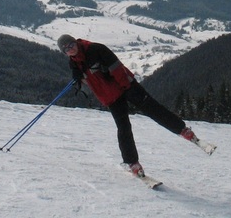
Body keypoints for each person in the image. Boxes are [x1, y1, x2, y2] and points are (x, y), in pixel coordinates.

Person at [57, 34, 202, 178]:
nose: (70, 49)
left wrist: (126, 86)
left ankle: (182, 130)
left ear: (76, 42)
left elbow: (116, 67)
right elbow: (88, 79)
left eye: (71, 45)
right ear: (64, 53)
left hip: (126, 86)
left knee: (152, 108)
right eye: (66, 49)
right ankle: (132, 163)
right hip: (111, 96)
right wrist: (78, 79)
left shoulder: (95, 49)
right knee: (123, 127)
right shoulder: (74, 63)